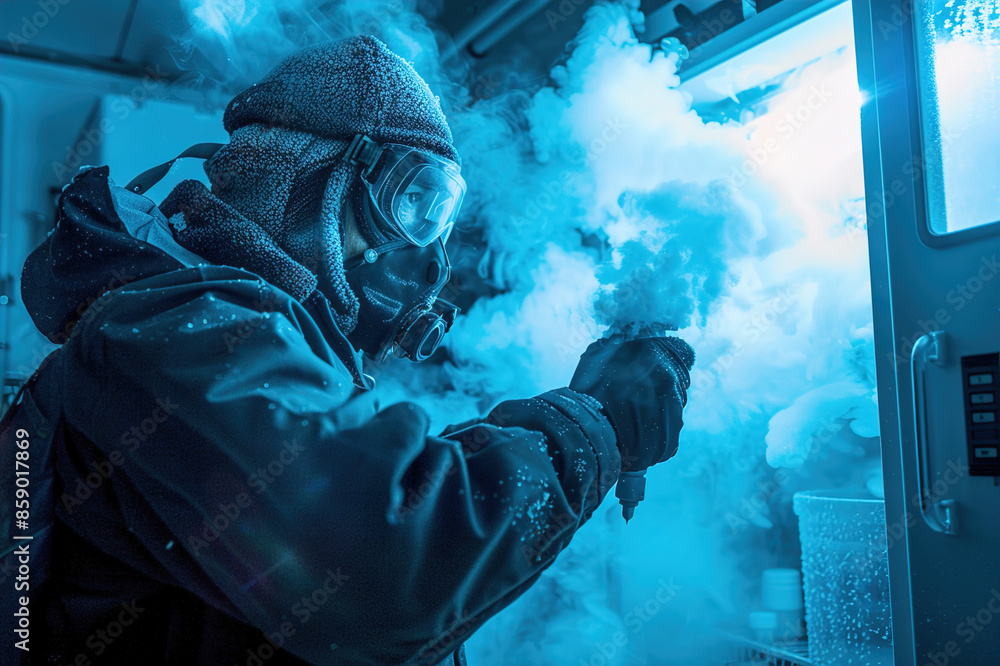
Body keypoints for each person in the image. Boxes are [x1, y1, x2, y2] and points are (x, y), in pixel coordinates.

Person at [0, 36, 694, 665]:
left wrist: (560, 430)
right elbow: (383, 563)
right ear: (298, 180)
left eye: (441, 218)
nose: (430, 259)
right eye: (415, 201)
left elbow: (345, 504)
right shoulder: (175, 330)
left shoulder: (211, 329)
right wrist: (593, 423)